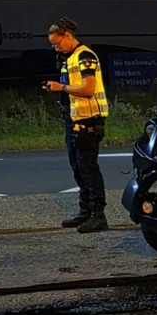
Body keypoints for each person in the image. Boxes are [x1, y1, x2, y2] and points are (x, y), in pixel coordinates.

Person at [43, 18, 110, 233]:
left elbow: (88, 89)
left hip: (89, 120)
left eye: (57, 43)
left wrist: (61, 88)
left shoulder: (85, 56)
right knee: (78, 167)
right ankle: (86, 211)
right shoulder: (70, 58)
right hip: (74, 119)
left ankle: (99, 216)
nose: (55, 48)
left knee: (88, 168)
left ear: (67, 36)